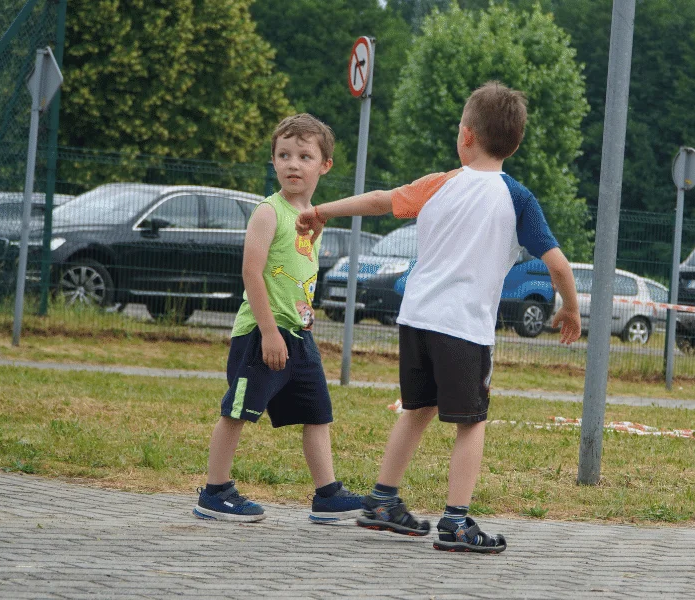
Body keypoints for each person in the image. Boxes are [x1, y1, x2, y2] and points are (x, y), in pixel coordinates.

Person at [296, 82, 581, 553]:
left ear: (466, 135)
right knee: (471, 423)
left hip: (417, 317)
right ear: (514, 142)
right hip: (463, 327)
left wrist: (323, 210)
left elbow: (381, 201)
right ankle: (456, 521)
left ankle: (382, 501)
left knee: (418, 409)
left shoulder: (440, 183)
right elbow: (557, 264)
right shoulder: (518, 198)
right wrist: (569, 307)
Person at [194, 114, 363, 523]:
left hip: (300, 337)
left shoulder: (310, 219)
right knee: (237, 410)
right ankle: (214, 491)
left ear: (325, 165)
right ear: (272, 161)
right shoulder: (268, 212)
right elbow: (252, 272)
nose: (293, 164)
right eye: (284, 155)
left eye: (304, 156)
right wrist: (269, 333)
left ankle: (327, 495)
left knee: (317, 414)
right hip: (262, 335)